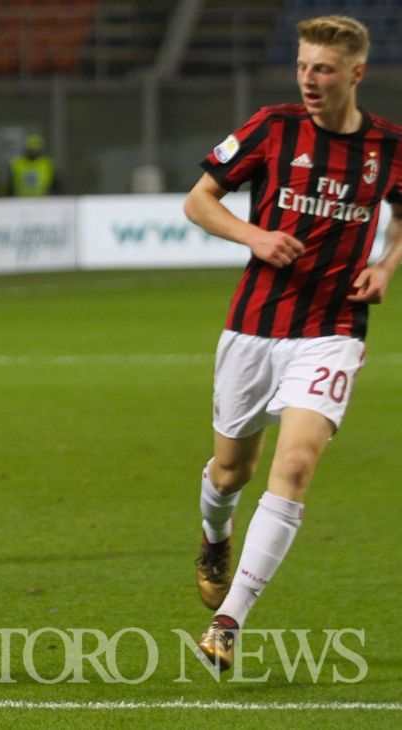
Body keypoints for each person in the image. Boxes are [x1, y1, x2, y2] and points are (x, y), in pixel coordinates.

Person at [184, 15, 402, 672]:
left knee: (297, 466)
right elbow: (199, 200)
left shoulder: (390, 146)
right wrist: (253, 237)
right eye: (305, 66)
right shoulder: (271, 128)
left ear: (356, 74)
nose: (310, 79)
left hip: (333, 332)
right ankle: (214, 537)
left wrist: (387, 265)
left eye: (325, 69)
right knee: (231, 471)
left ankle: (230, 621)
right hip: (254, 327)